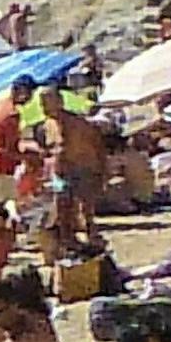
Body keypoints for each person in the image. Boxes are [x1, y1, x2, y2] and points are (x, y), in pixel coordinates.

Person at [38, 88, 106, 249]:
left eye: (48, 102)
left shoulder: (78, 123)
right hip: (62, 170)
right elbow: (52, 148)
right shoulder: (48, 125)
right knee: (63, 205)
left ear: (60, 102)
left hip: (82, 166)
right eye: (42, 103)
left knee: (85, 205)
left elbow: (95, 144)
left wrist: (101, 168)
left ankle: (90, 234)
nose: (44, 107)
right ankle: (67, 238)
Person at [0, 76, 34, 206]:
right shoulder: (12, 115)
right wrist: (29, 157)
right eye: (29, 92)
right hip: (1, 167)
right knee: (8, 207)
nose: (31, 97)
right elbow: (8, 149)